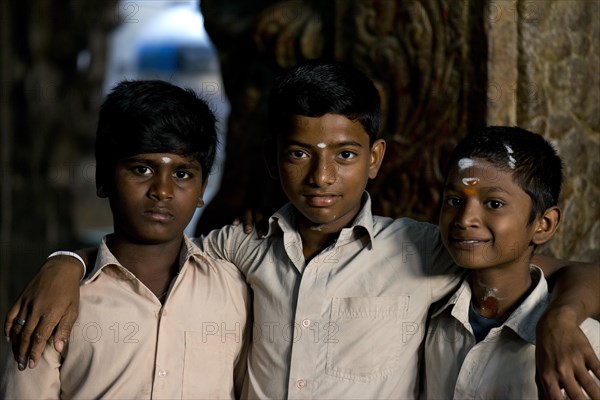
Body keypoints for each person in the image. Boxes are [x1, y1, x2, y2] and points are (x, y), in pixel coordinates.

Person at [5, 61, 600, 399]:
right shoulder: (237, 248)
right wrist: (68, 261)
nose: (322, 177)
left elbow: (566, 270)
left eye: (345, 155)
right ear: (272, 161)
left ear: (375, 158)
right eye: (299, 154)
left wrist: (565, 318)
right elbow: (146, 251)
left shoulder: (427, 248)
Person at [0, 80, 251, 399]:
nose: (162, 190)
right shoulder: (57, 303)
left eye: (182, 174)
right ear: (104, 179)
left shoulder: (235, 292)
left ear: (202, 190)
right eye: (142, 169)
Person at [422, 126, 600, 399]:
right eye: (454, 200)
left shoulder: (584, 343)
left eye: (493, 204)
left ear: (543, 224)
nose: (465, 218)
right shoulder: (428, 310)